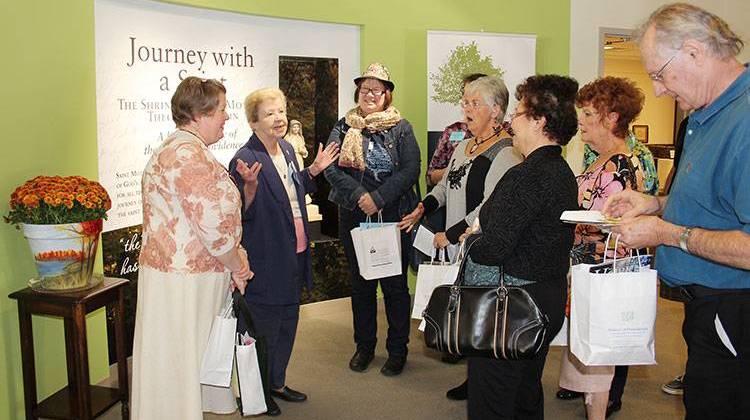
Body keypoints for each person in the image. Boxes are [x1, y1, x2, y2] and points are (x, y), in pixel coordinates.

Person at [604, 4, 750, 419]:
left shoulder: (745, 119)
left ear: (693, 51)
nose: (658, 91)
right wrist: (656, 204)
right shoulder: (706, 113)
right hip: (707, 310)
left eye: (658, 73)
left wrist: (668, 233)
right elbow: (715, 202)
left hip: (735, 310)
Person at [131, 77, 253, 420]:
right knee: (182, 359)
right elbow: (212, 225)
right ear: (199, 113)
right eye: (222, 110)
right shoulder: (188, 155)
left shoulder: (179, 149)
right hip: (186, 282)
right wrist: (237, 263)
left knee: (173, 360)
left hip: (178, 277)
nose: (226, 117)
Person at [398, 75, 522, 400]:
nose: (466, 108)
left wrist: (449, 235)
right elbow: (443, 188)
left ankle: (480, 382)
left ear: (496, 110)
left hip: (479, 247)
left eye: (473, 102)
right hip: (457, 246)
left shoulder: (506, 153)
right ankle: (475, 379)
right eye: (464, 101)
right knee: (468, 313)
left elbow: (489, 206)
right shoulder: (464, 145)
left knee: (480, 314)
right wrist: (421, 209)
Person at [465, 74, 579, 419]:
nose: (511, 120)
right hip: (545, 299)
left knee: (493, 399)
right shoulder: (561, 171)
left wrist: (473, 242)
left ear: (539, 121)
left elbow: (496, 245)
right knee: (526, 393)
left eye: (518, 113)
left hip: (511, 307)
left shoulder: (527, 175)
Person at [229, 88, 339, 416]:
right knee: (264, 327)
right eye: (269, 114)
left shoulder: (289, 149)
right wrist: (247, 187)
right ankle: (257, 391)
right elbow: (240, 211)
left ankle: (277, 382)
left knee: (289, 321)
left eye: (282, 111)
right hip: (266, 254)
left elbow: (295, 190)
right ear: (253, 122)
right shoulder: (244, 159)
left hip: (296, 250)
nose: (279, 118)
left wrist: (314, 171)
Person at [557, 76, 653, 420]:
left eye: (587, 113)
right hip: (588, 270)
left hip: (604, 273)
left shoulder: (621, 164)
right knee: (591, 353)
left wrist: (572, 224)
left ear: (611, 117)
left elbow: (616, 227)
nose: (579, 120)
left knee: (600, 357)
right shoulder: (600, 159)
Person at [324, 62, 420, 376]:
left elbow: (410, 170)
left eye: (377, 89)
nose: (370, 94)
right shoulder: (343, 126)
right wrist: (359, 197)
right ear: (358, 92)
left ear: (387, 95)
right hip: (355, 216)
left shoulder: (401, 127)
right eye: (365, 88)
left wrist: (377, 198)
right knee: (362, 285)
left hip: (393, 215)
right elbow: (330, 166)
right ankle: (364, 348)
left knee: (394, 287)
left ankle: (397, 351)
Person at [426, 73, 488, 187]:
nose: (468, 103)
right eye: (465, 97)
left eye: (475, 98)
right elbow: (430, 177)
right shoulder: (453, 131)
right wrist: (454, 170)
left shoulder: (502, 132)